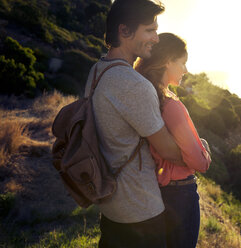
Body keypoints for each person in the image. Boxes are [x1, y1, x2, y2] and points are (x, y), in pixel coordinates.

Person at [84, 1, 185, 248]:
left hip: (111, 209)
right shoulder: (133, 84)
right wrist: (200, 151)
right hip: (141, 213)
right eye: (149, 30)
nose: (156, 39)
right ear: (124, 31)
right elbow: (169, 151)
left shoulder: (97, 71)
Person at [135, 33, 212, 248]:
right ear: (168, 61)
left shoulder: (149, 97)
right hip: (181, 194)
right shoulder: (172, 106)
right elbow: (199, 163)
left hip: (159, 191)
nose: (186, 70)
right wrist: (205, 150)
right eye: (183, 63)